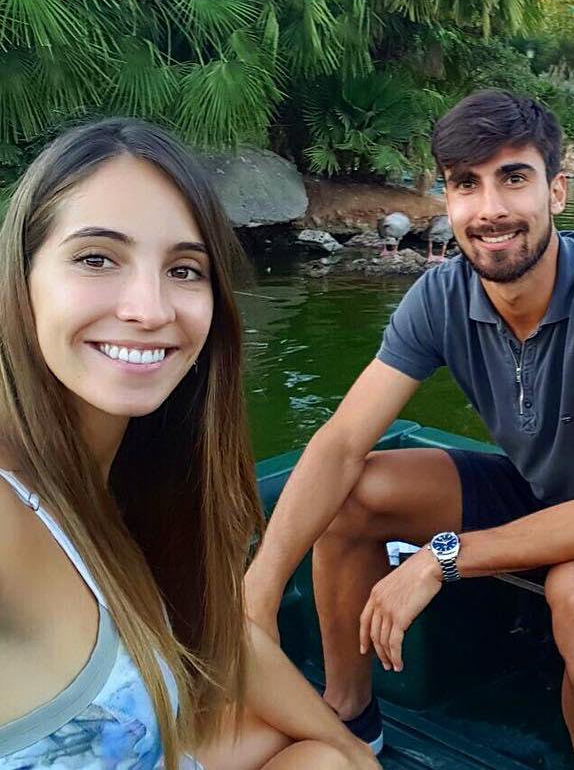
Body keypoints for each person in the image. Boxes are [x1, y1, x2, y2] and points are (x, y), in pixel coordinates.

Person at [244, 90, 574, 769]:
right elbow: (341, 442)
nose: (490, 209)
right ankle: (349, 715)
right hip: (533, 490)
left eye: (513, 178)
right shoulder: (441, 296)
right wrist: (260, 592)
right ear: (448, 197)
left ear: (556, 191)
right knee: (351, 494)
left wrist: (439, 558)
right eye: (467, 183)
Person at [0, 120, 378, 770]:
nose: (150, 310)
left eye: (183, 269)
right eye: (96, 258)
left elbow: (219, 631)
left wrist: (353, 751)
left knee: (327, 759)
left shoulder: (139, 473)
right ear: (22, 277)